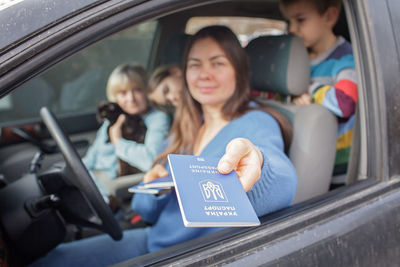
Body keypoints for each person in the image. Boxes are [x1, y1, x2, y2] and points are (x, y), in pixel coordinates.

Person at [31, 26, 297, 267]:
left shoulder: (256, 122)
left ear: (240, 71)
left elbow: (281, 180)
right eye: (195, 65)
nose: (204, 74)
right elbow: (143, 209)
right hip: (153, 240)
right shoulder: (186, 126)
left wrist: (258, 162)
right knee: (49, 261)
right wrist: (153, 189)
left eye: (218, 63)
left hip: (194, 255)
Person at [280, 0, 358, 187]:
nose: (292, 28)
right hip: (303, 158)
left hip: (337, 169)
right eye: (289, 21)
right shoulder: (298, 59)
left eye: (300, 20)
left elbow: (345, 102)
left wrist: (310, 89)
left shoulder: (345, 59)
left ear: (329, 17)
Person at [81, 64, 171, 196]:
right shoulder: (114, 117)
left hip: (117, 190)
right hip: (94, 183)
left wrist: (118, 142)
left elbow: (151, 160)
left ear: (147, 91)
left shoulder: (157, 118)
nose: (131, 99)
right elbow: (92, 156)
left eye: (137, 90)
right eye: (123, 93)